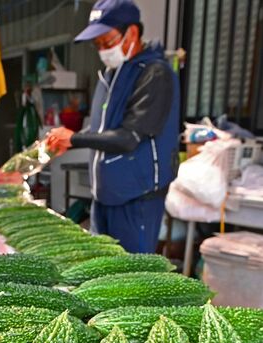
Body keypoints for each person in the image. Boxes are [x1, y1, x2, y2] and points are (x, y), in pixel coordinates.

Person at [47, 0, 180, 253]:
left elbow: (129, 137)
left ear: (131, 33)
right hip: (105, 196)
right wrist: (68, 140)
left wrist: (75, 139)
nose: (102, 50)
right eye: (97, 45)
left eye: (107, 41)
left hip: (136, 198)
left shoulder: (154, 74)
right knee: (104, 271)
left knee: (132, 279)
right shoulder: (110, 75)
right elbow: (101, 130)